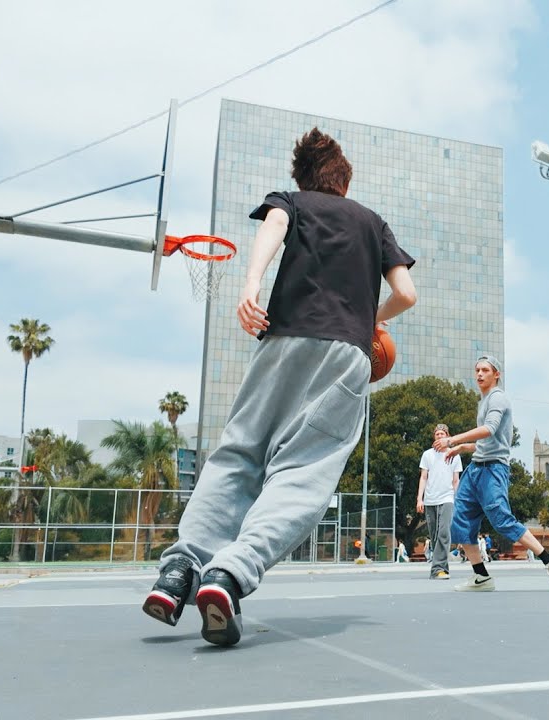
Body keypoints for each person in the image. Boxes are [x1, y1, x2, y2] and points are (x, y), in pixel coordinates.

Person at [141, 128, 417, 646]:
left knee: (239, 453)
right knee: (303, 471)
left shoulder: (291, 201)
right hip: (345, 354)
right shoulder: (373, 222)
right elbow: (407, 293)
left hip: (283, 338)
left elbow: (275, 224)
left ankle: (178, 572)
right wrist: (370, 320)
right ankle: (230, 573)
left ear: (305, 179)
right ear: (344, 181)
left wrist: (252, 285)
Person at [434, 355, 549, 592]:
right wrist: (464, 448)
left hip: (493, 469)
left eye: (485, 370)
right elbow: (488, 442)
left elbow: (489, 429)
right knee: (461, 522)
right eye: (477, 370)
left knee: (501, 519)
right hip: (475, 469)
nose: (479, 374)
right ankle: (481, 577)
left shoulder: (498, 398)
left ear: (497, 374)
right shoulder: (483, 401)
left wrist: (452, 440)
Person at [417, 423, 462, 579]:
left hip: (447, 498)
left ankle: (437, 569)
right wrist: (420, 499)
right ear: (434, 437)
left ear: (448, 436)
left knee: (444, 532)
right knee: (435, 536)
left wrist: (457, 500)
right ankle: (441, 569)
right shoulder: (427, 455)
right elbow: (423, 477)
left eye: (442, 434)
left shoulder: (454, 455)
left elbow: (456, 480)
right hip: (430, 500)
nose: (440, 436)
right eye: (437, 434)